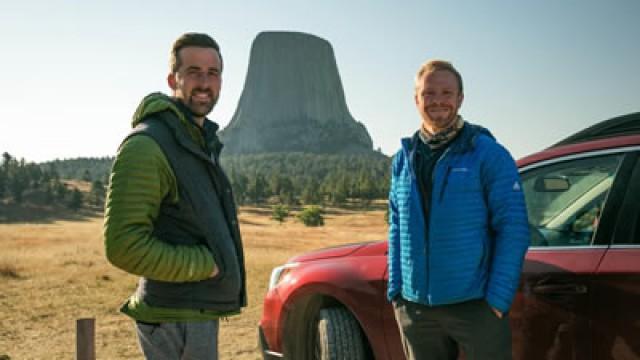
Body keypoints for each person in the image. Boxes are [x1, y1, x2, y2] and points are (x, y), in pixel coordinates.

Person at [104, 32, 246, 360]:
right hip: (174, 317)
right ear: (173, 79)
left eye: (213, 73)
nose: (204, 82)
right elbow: (123, 246)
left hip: (194, 313)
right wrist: (207, 265)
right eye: (194, 72)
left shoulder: (193, 140)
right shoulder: (147, 146)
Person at [387, 59, 530, 360]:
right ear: (416, 99)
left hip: (476, 306)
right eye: (429, 93)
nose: (438, 100)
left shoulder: (488, 154)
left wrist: (497, 300)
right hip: (416, 310)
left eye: (447, 93)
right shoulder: (403, 158)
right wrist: (397, 291)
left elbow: (513, 227)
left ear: (460, 98)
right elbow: (396, 225)